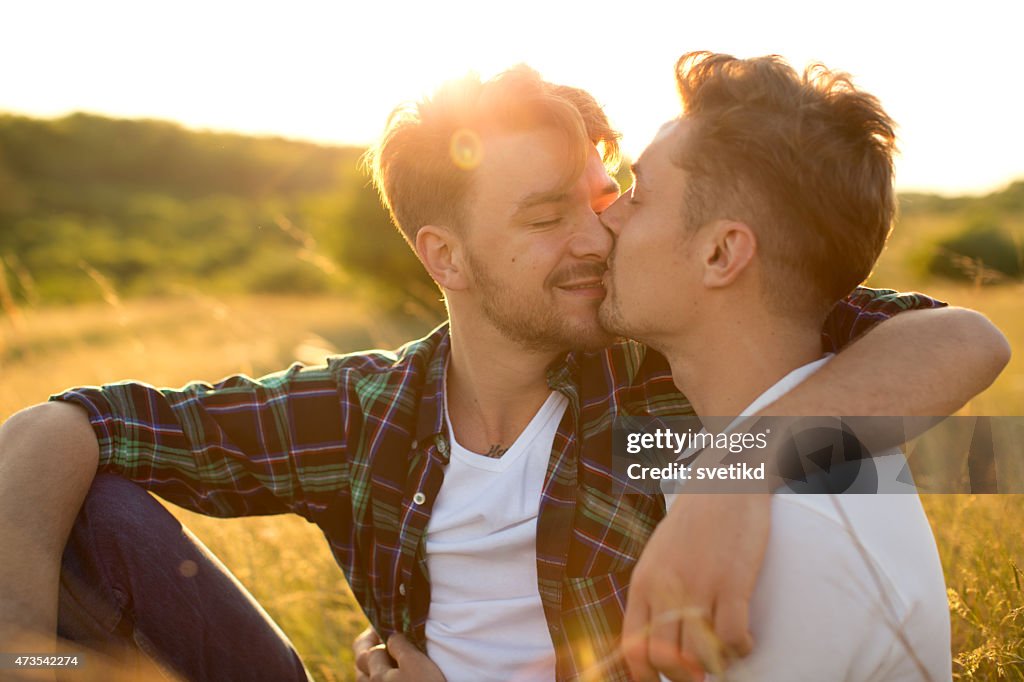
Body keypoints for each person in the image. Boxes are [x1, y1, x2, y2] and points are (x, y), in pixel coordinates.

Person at [0, 66, 1008, 682]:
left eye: (604, 193)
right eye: (544, 217)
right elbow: (65, 419)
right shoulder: (361, 411)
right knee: (91, 507)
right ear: (444, 257)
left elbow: (964, 339)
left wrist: (728, 474)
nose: (596, 231)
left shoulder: (667, 370)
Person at [598, 52, 971, 680]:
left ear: (721, 253)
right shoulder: (742, 467)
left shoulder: (790, 538)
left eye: (638, 195)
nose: (606, 216)